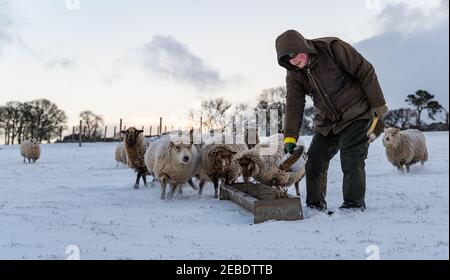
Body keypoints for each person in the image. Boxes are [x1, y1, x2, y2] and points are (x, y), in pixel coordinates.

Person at [275, 30, 388, 211]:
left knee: (351, 158)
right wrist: (290, 137)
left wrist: (378, 105)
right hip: (327, 121)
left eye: (295, 56)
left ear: (303, 47)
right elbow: (294, 105)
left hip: (356, 113)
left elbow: (365, 71)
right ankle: (314, 205)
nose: (294, 62)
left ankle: (353, 206)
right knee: (314, 162)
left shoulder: (332, 49)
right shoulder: (294, 73)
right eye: (288, 61)